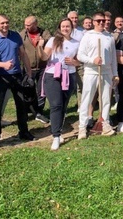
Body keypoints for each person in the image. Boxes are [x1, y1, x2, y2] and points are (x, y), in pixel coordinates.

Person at [0, 14, 35, 148]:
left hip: (16, 75)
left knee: (22, 104)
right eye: (2, 23)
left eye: (7, 22)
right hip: (0, 77)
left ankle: (23, 132)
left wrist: (29, 73)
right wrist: (3, 65)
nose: (5, 25)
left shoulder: (15, 36)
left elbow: (23, 54)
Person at [37, 18, 80, 150]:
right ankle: (56, 136)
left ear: (71, 28)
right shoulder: (53, 40)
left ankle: (59, 130)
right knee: (56, 105)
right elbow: (44, 57)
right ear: (59, 28)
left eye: (68, 26)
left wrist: (74, 62)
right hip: (53, 75)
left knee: (64, 105)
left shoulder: (77, 43)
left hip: (69, 75)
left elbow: (79, 61)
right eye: (63, 26)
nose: (65, 28)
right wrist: (39, 46)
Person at [77, 12, 118, 138]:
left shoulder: (109, 37)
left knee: (106, 99)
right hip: (91, 71)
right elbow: (80, 55)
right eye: (99, 20)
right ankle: (82, 127)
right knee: (87, 99)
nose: (101, 22)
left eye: (103, 21)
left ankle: (104, 123)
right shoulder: (87, 36)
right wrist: (92, 60)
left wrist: (115, 74)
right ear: (94, 22)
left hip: (106, 71)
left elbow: (113, 58)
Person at [20, 15, 51, 124]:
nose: (26, 27)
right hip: (29, 67)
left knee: (41, 91)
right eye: (25, 25)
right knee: (28, 90)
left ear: (35, 24)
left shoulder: (44, 33)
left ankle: (39, 112)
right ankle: (29, 110)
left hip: (43, 67)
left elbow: (51, 43)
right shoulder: (22, 34)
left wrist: (43, 42)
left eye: (29, 25)